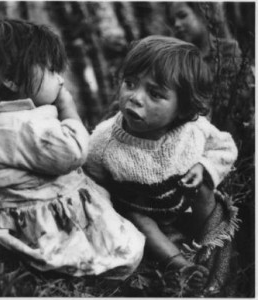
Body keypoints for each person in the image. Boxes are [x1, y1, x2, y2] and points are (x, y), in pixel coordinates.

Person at [0, 19, 145, 279]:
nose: (60, 79)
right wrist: (68, 110)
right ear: (9, 78)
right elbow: (74, 153)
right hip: (44, 217)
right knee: (108, 244)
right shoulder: (29, 127)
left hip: (8, 206)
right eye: (52, 70)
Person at [85, 36, 239, 294]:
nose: (135, 98)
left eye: (155, 94)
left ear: (182, 108)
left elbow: (225, 148)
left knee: (204, 189)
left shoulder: (193, 129)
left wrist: (204, 166)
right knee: (139, 219)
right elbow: (90, 178)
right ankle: (180, 264)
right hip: (143, 207)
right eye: (130, 83)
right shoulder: (103, 142)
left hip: (186, 202)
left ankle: (208, 246)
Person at [167, 2, 254, 147]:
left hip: (229, 139)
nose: (176, 24)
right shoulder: (177, 62)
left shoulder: (228, 50)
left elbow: (239, 102)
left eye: (182, 16)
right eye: (172, 20)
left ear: (201, 15)